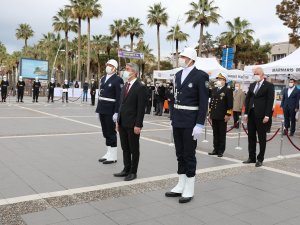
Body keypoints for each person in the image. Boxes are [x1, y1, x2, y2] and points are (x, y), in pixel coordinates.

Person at [165, 47, 209, 203]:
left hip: (191, 121)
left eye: (183, 56)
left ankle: (189, 187)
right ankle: (180, 183)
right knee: (180, 153)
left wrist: (199, 124)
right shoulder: (177, 75)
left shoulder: (200, 76)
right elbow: (174, 98)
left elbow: (204, 102)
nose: (181, 59)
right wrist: (172, 118)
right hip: (178, 119)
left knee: (189, 154)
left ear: (191, 58)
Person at [114, 63, 147, 181]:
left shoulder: (140, 87)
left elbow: (141, 108)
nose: (125, 71)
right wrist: (118, 121)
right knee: (125, 147)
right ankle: (126, 169)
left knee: (134, 149)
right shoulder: (125, 86)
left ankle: (133, 172)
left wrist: (138, 125)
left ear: (134, 72)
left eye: (127, 69)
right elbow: (121, 105)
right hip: (122, 122)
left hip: (133, 124)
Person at [243, 67, 274, 167]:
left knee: (261, 137)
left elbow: (270, 101)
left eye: (256, 73)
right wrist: (246, 113)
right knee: (251, 136)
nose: (255, 75)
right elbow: (248, 99)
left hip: (261, 115)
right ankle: (251, 157)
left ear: (262, 74)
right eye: (254, 73)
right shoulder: (252, 85)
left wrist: (267, 115)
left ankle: (260, 159)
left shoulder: (269, 86)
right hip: (251, 114)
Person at [96, 59, 123, 164]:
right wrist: (98, 110)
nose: (108, 66)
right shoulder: (103, 79)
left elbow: (119, 98)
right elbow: (100, 95)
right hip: (102, 108)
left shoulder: (118, 80)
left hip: (111, 109)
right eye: (107, 64)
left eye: (110, 65)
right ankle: (108, 153)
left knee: (111, 132)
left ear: (115, 68)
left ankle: (113, 156)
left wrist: (116, 112)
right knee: (105, 132)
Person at [208, 73, 233, 157]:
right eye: (218, 79)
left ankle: (221, 150)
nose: (219, 81)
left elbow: (230, 104)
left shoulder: (228, 90)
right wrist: (210, 113)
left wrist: (228, 114)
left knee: (222, 133)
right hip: (214, 114)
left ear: (224, 81)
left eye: (221, 79)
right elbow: (211, 102)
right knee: (215, 133)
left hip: (222, 115)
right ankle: (215, 149)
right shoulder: (214, 89)